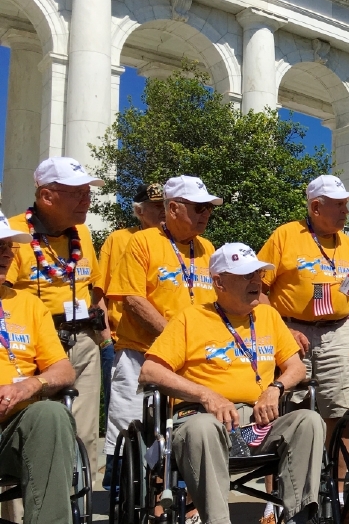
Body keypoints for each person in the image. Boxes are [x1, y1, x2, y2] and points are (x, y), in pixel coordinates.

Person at [139, 243, 324, 524]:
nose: (256, 282)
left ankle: (298, 517)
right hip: (202, 421)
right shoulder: (191, 318)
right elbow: (150, 372)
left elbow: (296, 367)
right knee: (203, 426)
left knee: (309, 420)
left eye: (258, 274)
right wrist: (206, 395)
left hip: (255, 424)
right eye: (245, 275)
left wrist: (275, 388)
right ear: (218, 282)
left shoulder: (268, 316)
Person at [103, 176, 221, 476]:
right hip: (141, 353)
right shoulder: (142, 242)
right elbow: (133, 299)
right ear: (174, 208)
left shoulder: (208, 248)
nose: (206, 214)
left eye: (208, 209)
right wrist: (175, 338)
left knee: (189, 431)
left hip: (194, 359)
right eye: (198, 208)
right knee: (131, 428)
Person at [7, 157, 110, 473]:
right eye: (76, 192)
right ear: (46, 195)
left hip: (82, 341)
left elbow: (93, 289)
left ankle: (77, 509)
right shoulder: (12, 233)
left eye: (87, 192)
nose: (86, 200)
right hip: (32, 346)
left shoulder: (82, 234)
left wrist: (105, 342)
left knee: (85, 435)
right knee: (30, 435)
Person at [258, 175, 349, 447]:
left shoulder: (348, 244)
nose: (345, 211)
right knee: (287, 409)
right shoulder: (284, 236)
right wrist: (283, 331)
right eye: (339, 204)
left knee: (343, 410)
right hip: (291, 331)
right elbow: (257, 291)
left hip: (338, 332)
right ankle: (279, 488)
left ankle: (338, 488)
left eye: (346, 204)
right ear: (316, 207)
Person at [0, 211, 78, 524]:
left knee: (52, 414)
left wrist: (30, 385)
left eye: (9, 248)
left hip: (14, 429)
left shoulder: (28, 304)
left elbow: (63, 370)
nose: (6, 255)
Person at [97, 185, 166, 433]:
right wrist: (106, 339)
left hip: (168, 347)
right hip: (123, 345)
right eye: (156, 206)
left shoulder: (177, 243)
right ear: (140, 211)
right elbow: (98, 294)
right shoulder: (118, 239)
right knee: (123, 424)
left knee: (160, 425)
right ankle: (118, 473)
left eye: (166, 205)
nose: (163, 211)